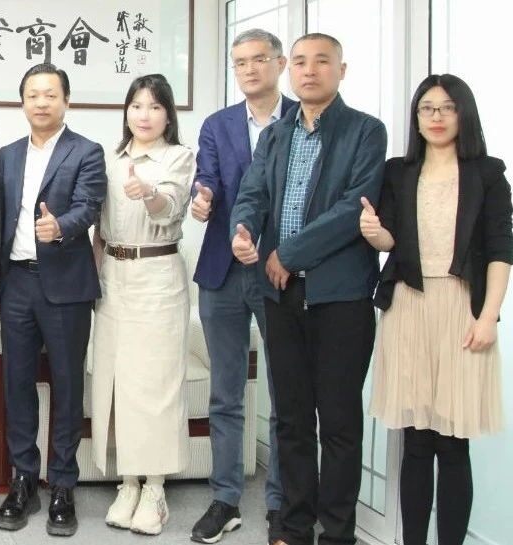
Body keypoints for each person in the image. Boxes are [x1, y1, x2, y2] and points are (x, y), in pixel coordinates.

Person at [229, 33, 386, 545]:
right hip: (281, 297)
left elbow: (353, 207)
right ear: (288, 70)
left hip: (340, 296)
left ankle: (337, 533)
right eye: (300, 62)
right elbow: (253, 193)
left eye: (322, 61)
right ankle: (294, 526)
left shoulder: (365, 131)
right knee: (292, 420)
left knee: (338, 422)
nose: (309, 70)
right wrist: (243, 232)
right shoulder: (276, 135)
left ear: (342, 70)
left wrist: (288, 254)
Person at [364, 74, 513, 545]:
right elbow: (390, 240)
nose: (437, 117)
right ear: (416, 117)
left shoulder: (487, 174)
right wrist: (374, 232)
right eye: (427, 108)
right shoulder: (398, 171)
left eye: (447, 108)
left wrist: (488, 317)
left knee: (452, 443)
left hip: (461, 309)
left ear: (463, 114)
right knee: (416, 441)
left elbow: (500, 249)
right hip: (409, 305)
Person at [189, 28, 295, 545]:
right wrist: (202, 197)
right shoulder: (218, 124)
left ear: (279, 63)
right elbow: (206, 176)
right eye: (240, 63)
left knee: (286, 393)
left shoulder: (301, 120)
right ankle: (226, 498)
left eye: (258, 59)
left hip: (283, 269)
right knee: (225, 393)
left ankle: (281, 503)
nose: (249, 70)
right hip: (223, 271)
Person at [0, 63, 107, 537]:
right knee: (17, 384)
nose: (41, 102)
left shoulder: (87, 151)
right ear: (22, 102)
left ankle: (62, 483)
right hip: (16, 282)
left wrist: (60, 226)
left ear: (66, 101)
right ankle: (23, 479)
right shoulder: (7, 154)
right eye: (33, 95)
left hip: (65, 285)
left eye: (50, 94)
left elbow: (89, 205)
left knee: (66, 385)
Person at [89, 73, 194, 537]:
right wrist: (92, 281)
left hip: (157, 276)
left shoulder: (178, 156)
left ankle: (155, 488)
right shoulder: (110, 160)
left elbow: (170, 206)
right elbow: (99, 230)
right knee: (117, 382)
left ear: (168, 115)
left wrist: (148, 193)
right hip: (113, 277)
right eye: (136, 106)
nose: (144, 115)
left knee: (156, 384)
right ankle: (128, 482)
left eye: (154, 106)